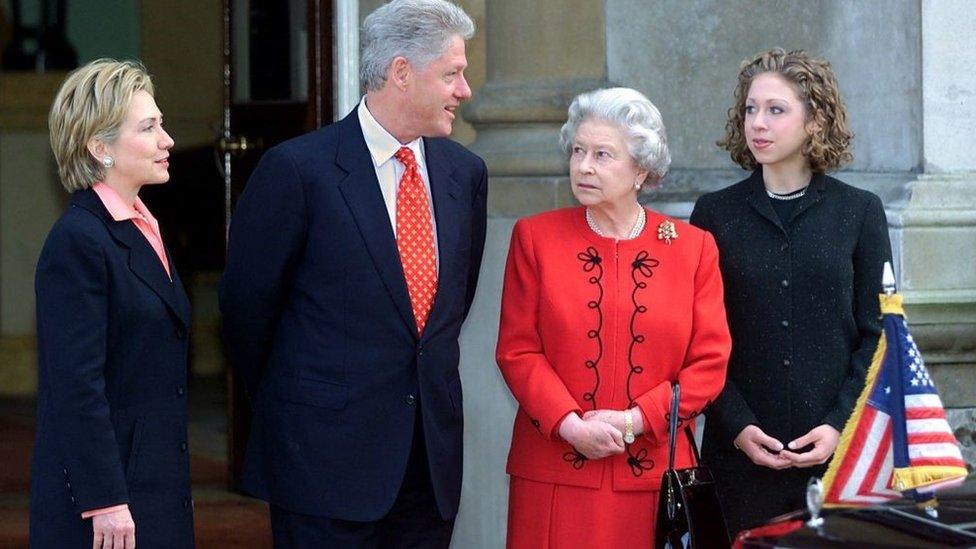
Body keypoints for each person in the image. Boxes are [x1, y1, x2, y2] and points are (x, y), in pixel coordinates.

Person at [218, 0, 487, 546]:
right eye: (453, 74)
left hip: (427, 469)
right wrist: (303, 407)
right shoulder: (297, 170)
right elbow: (246, 313)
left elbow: (447, 313)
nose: (464, 91)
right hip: (321, 466)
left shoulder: (466, 173)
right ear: (402, 73)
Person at [495, 87, 731, 548]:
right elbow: (517, 350)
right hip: (554, 475)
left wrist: (636, 421)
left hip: (657, 481)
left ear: (641, 169)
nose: (583, 165)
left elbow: (709, 363)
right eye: (578, 151)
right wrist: (570, 425)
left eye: (603, 154)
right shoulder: (535, 238)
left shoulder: (691, 248)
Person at [690, 48, 893, 536]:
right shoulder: (714, 214)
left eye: (776, 110)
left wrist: (838, 424)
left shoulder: (860, 212)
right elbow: (696, 338)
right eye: (750, 109)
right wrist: (737, 427)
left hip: (838, 457)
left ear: (815, 121)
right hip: (738, 459)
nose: (758, 123)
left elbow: (880, 332)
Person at [30, 59, 192, 548]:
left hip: (153, 485)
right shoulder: (78, 240)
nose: (168, 140)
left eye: (161, 123)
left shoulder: (140, 226)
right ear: (99, 147)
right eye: (149, 127)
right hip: (107, 507)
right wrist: (105, 501)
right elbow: (75, 383)